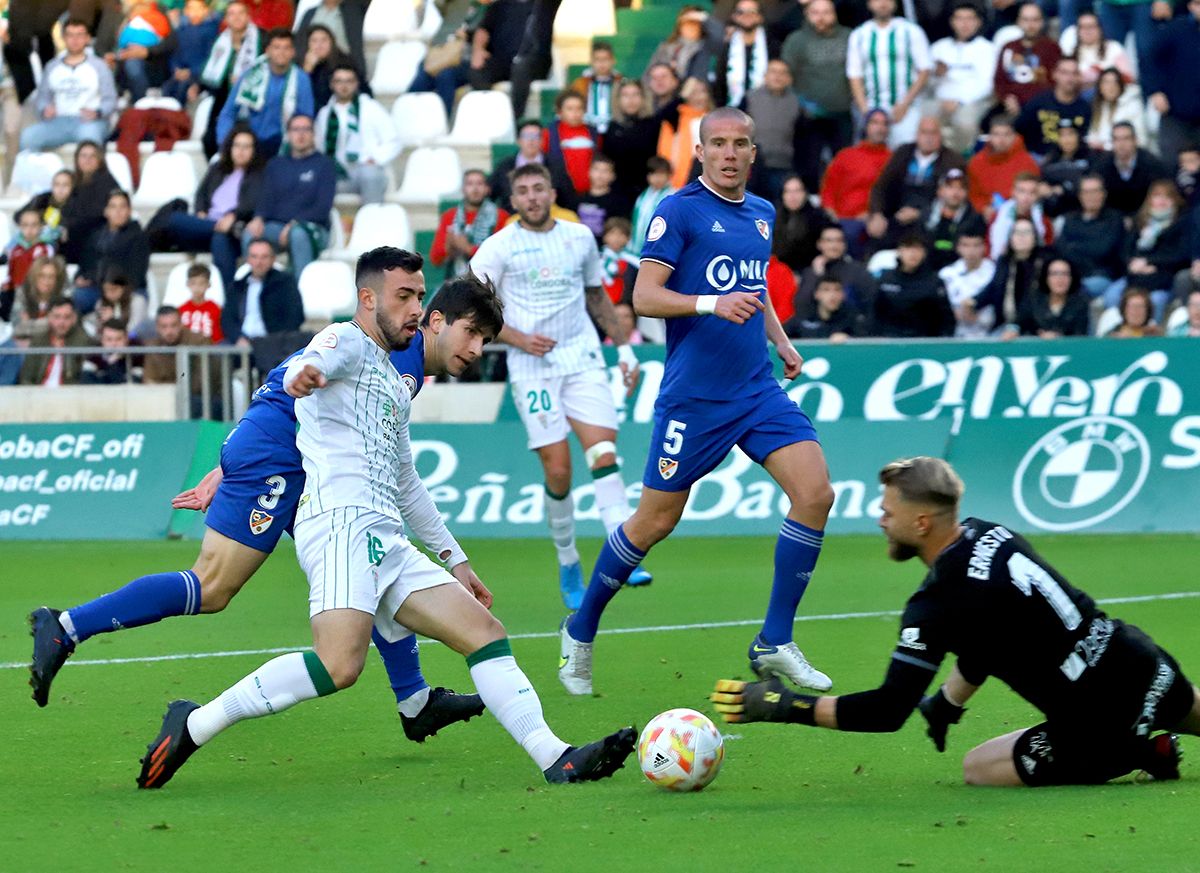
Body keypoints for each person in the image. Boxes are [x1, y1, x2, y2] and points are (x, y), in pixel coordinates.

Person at [129, 248, 638, 789]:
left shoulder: (395, 383)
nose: (418, 310)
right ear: (371, 299)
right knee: (338, 666)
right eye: (409, 298)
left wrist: (455, 560)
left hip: (384, 535)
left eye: (421, 296)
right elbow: (317, 358)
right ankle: (195, 723)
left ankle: (555, 757)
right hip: (341, 524)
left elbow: (407, 483)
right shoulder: (347, 339)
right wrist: (306, 373)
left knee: (485, 633)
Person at [29, 268, 509, 751]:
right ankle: (66, 627)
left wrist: (230, 460)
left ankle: (414, 700)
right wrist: (245, 455)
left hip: (285, 451)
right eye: (473, 334)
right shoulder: (398, 355)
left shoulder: (395, 352)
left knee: (373, 561)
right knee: (213, 586)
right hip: (280, 456)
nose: (476, 350)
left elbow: (298, 378)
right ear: (435, 320)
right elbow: (309, 372)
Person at [558, 107, 835, 697]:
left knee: (816, 493)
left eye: (741, 143)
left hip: (756, 389)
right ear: (701, 152)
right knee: (654, 521)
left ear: (754, 153)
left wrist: (781, 341)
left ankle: (774, 641)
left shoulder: (761, 214)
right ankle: (580, 629)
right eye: (719, 144)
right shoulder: (677, 211)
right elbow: (646, 296)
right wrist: (711, 303)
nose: (730, 153)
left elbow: (753, 289)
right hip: (695, 398)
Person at [712, 456, 1199, 788]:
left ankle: (1144, 750)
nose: (880, 521)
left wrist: (784, 705)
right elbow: (988, 639)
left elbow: (887, 710)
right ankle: (1148, 735)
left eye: (887, 512)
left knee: (978, 767)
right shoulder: (992, 533)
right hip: (1140, 661)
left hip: (1098, 723)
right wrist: (947, 703)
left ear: (921, 522)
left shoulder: (937, 601)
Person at [470, 163, 646, 609]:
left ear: (551, 193)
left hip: (581, 357)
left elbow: (596, 296)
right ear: (512, 200)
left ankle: (622, 549)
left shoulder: (579, 237)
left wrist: (624, 350)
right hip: (532, 367)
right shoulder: (498, 247)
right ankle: (568, 559)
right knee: (559, 471)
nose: (531, 197)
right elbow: (471, 306)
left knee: (603, 451)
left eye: (538, 188)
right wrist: (517, 337)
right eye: (523, 191)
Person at [164, 125, 265, 294]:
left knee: (220, 238)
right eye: (237, 145)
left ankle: (230, 296)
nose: (241, 151)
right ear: (230, 147)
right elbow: (201, 195)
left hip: (234, 231)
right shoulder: (217, 168)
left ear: (253, 150)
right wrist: (200, 211)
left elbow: (252, 203)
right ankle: (217, 227)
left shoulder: (259, 174)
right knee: (174, 219)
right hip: (208, 225)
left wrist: (233, 217)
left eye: (246, 147)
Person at [243, 114, 337, 277]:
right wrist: (258, 218)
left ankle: (300, 294)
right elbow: (266, 198)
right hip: (277, 228)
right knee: (250, 232)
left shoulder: (325, 165)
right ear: (288, 134)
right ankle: (254, 288)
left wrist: (296, 224)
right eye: (295, 129)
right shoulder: (275, 164)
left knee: (298, 234)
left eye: (306, 129)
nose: (300, 134)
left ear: (313, 134)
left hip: (312, 228)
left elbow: (323, 208)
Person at [867, 116, 966, 252]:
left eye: (933, 133)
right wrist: (877, 214)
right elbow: (881, 186)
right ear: (917, 135)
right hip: (897, 214)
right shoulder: (903, 153)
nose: (928, 138)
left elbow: (954, 196)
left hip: (931, 217)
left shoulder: (952, 160)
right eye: (924, 133)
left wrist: (921, 213)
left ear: (940, 136)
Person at [215, 27, 314, 159]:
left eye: (286, 48)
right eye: (277, 47)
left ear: (293, 52)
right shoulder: (251, 74)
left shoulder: (301, 79)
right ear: (268, 51)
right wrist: (225, 145)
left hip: (284, 143)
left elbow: (306, 118)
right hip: (250, 141)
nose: (281, 52)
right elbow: (228, 113)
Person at [20, 20, 117, 152]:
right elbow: (42, 98)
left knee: (89, 141)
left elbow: (110, 99)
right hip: (58, 121)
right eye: (70, 35)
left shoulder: (99, 66)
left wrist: (98, 112)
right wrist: (44, 110)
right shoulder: (52, 66)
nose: (75, 39)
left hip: (90, 122)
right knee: (28, 137)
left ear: (88, 38)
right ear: (64, 38)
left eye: (79, 35)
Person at [846, 0, 931, 148]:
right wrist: (866, 112)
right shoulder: (859, 34)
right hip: (872, 106)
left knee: (903, 153)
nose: (883, 3)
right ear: (869, 4)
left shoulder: (911, 31)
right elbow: (854, 75)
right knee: (871, 155)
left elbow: (924, 70)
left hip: (906, 107)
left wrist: (905, 104)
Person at [314, 63, 398, 206]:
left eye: (349, 81)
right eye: (339, 81)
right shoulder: (324, 114)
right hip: (337, 173)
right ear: (332, 85)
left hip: (364, 168)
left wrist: (375, 158)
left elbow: (394, 140)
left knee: (370, 175)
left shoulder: (371, 108)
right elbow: (319, 146)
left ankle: (371, 220)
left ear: (356, 84)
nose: (344, 86)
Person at [927, 2, 995, 154]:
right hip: (940, 100)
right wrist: (936, 75)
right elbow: (927, 85)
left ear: (978, 22)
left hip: (971, 101)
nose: (965, 24)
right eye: (959, 18)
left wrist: (960, 101)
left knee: (965, 123)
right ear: (952, 22)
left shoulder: (987, 48)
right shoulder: (939, 47)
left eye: (970, 19)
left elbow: (987, 84)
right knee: (923, 119)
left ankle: (956, 160)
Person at [820, 109, 892, 254]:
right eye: (875, 122)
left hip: (876, 220)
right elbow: (828, 190)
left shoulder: (893, 159)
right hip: (844, 220)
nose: (880, 128)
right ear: (865, 126)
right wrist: (833, 217)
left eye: (884, 124)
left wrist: (873, 215)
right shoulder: (845, 156)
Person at [1118, 180, 1192, 316]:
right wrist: (1133, 264)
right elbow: (1125, 250)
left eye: (1167, 196)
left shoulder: (1182, 223)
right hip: (1134, 276)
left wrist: (1150, 262)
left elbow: (1180, 254)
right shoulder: (1139, 221)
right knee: (1113, 296)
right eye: (1157, 196)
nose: (1162, 201)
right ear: (1150, 200)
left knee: (1155, 301)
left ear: (1174, 200)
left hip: (1164, 279)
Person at [197, 1, 260, 158]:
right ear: (226, 19)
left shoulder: (261, 39)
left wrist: (246, 79)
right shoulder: (220, 41)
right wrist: (197, 87)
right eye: (232, 14)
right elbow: (209, 74)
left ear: (248, 16)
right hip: (224, 100)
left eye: (241, 13)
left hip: (253, 101)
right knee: (209, 140)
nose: (237, 17)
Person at [1144, 0, 1200, 167]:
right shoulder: (1176, 29)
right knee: (1169, 166)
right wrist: (1154, 91)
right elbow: (1148, 59)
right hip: (1175, 113)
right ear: (1190, 6)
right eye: (1197, 3)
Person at [1057, 174, 1127, 302]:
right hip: (1071, 275)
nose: (1091, 196)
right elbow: (1062, 249)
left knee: (1076, 290)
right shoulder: (1070, 219)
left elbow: (1103, 250)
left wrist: (1076, 247)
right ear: (1080, 195)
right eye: (1087, 192)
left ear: (1103, 194)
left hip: (1101, 276)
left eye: (1095, 191)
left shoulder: (1115, 219)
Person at [870, 232, 955, 338]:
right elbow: (874, 313)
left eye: (918, 249)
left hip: (926, 342)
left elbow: (946, 318)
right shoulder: (885, 278)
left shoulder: (934, 281)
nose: (913, 253)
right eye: (908, 248)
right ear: (899, 252)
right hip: (890, 340)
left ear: (924, 253)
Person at [222, 238, 305, 346]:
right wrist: (238, 338)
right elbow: (227, 319)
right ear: (248, 259)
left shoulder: (285, 284)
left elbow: (295, 317)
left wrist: (271, 340)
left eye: (264, 257)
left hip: (274, 344)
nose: (258, 262)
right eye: (254, 256)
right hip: (241, 343)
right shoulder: (237, 286)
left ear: (273, 259)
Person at [430, 170, 509, 281]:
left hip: (490, 282)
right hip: (456, 282)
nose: (475, 189)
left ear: (487, 189)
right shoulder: (450, 216)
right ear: (463, 189)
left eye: (480, 184)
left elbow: (502, 256)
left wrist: (468, 249)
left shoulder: (500, 216)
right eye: (470, 184)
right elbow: (435, 259)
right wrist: (448, 249)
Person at [489, 119, 578, 213]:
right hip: (513, 221)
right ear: (518, 140)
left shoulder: (556, 166)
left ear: (542, 140)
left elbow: (568, 200)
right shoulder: (505, 166)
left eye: (536, 136)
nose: (531, 140)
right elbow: (490, 195)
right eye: (527, 136)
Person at [744, 60, 801, 204]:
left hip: (784, 166)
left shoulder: (797, 102)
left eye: (783, 73)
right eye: (773, 72)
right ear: (765, 75)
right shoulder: (750, 98)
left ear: (789, 79)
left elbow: (803, 138)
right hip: (754, 166)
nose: (778, 76)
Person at [993, 3, 1060, 119]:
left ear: (1042, 22)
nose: (1030, 25)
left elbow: (1055, 83)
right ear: (1018, 22)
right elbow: (999, 80)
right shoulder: (1009, 47)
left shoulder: (1052, 48)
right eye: (1025, 20)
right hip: (1010, 106)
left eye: (1035, 20)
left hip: (1041, 108)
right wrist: (1006, 98)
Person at [966, 116, 1039, 220]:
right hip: (984, 217)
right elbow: (973, 194)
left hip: (1019, 217)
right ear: (990, 136)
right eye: (996, 134)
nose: (1001, 140)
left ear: (1014, 136)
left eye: (1006, 134)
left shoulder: (1028, 163)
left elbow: (1033, 194)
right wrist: (984, 208)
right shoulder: (976, 163)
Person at [794, 224, 877, 316]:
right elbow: (801, 305)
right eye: (829, 240)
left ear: (844, 245)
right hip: (816, 326)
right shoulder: (810, 272)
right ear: (819, 244)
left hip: (848, 325)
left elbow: (870, 303)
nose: (834, 245)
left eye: (839, 240)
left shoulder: (858, 271)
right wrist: (817, 275)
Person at [1015, 57, 1090, 158]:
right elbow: (1018, 129)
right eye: (1064, 73)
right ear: (1055, 74)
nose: (1070, 78)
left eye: (1074, 73)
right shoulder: (1038, 102)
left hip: (1072, 161)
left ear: (1079, 77)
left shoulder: (1085, 107)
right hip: (1038, 157)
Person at [713, 0, 779, 110]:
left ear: (760, 17)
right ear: (734, 17)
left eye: (752, 11)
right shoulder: (726, 46)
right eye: (741, 12)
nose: (746, 15)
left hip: (767, 111)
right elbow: (720, 83)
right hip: (733, 110)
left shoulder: (773, 45)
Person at [1094, 122, 1170, 217]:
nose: (1121, 144)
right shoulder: (1102, 164)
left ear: (1135, 140)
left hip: (1145, 216)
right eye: (1116, 139)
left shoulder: (1152, 164)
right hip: (1112, 219)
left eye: (1126, 138)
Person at [604, 81, 662, 206]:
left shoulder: (654, 125)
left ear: (643, 98)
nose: (631, 100)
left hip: (649, 191)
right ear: (617, 99)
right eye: (625, 95)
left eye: (636, 94)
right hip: (618, 191)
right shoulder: (612, 127)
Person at [922, 169, 986, 272]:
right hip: (927, 269)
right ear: (940, 191)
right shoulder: (926, 214)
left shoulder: (975, 219)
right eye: (950, 187)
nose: (955, 193)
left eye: (961, 188)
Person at [18, 298, 90, 386]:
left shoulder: (83, 341)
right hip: (39, 395)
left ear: (74, 319)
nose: (61, 322)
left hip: (69, 396)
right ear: (49, 317)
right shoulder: (38, 341)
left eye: (67, 317)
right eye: (57, 317)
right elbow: (26, 378)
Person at [939, 230, 996, 338]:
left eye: (976, 245)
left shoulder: (995, 272)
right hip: (954, 335)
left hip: (991, 334)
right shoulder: (947, 274)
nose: (971, 251)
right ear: (958, 248)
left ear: (984, 247)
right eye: (966, 245)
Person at [644, 6, 716, 90]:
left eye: (696, 22)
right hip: (668, 94)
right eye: (688, 21)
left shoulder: (709, 46)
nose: (692, 26)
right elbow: (648, 75)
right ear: (680, 24)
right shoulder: (666, 47)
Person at [544, 91, 600, 198]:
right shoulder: (549, 133)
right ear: (560, 112)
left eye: (579, 108)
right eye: (570, 108)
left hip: (590, 193)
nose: (575, 113)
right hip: (561, 193)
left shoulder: (593, 133)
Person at [773, 174, 831, 273]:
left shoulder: (819, 218)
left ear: (805, 193)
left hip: (808, 270)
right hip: (779, 271)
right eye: (788, 191)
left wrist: (824, 257)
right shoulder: (774, 217)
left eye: (797, 191)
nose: (793, 196)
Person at [988, 172, 1053, 259]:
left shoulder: (1043, 220)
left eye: (1032, 192)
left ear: (1037, 195)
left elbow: (1047, 247)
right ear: (1013, 192)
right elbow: (988, 244)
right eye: (1022, 191)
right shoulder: (998, 217)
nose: (1026, 197)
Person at [1020, 257, 1090, 337]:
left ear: (1072, 278)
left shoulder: (1080, 303)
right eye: (1054, 274)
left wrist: (1058, 337)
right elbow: (1020, 325)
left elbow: (1080, 335)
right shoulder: (1033, 300)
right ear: (1046, 278)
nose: (1060, 279)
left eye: (1065, 274)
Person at [1063, 12, 1133, 89]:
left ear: (1100, 29)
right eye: (1082, 27)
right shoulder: (1070, 51)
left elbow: (1128, 79)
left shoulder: (1114, 48)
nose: (1087, 31)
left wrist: (1100, 74)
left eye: (1091, 26)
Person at [1038, 120, 1094, 216]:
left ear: (1078, 136)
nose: (1066, 139)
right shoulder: (1050, 160)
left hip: (1082, 210)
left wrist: (1064, 188)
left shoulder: (1091, 157)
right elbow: (1043, 181)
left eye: (1070, 134)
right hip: (1055, 211)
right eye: (1062, 135)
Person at [783, 274, 860, 340]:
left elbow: (866, 342)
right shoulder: (803, 317)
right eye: (826, 290)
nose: (832, 295)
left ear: (843, 295)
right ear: (817, 294)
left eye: (837, 290)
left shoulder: (852, 319)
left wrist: (849, 339)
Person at [1087, 68, 1146, 152]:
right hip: (1102, 156)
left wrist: (1106, 146)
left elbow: (1141, 141)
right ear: (1100, 87)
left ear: (1120, 85)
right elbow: (1092, 136)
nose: (1111, 87)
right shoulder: (1098, 107)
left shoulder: (1133, 106)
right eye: (1106, 82)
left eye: (1115, 82)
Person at [569, 41, 621, 135]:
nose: (602, 63)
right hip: (587, 131)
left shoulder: (621, 82)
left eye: (606, 59)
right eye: (597, 59)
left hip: (615, 132)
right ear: (591, 61)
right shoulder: (580, 84)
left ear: (613, 60)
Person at [576, 156, 631, 244]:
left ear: (613, 176)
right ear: (589, 172)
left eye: (605, 171)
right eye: (596, 169)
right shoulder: (577, 199)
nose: (600, 175)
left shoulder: (620, 202)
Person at [3, 209, 55, 294]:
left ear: (41, 226)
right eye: (25, 225)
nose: (29, 229)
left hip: (37, 292)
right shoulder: (15, 248)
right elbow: (11, 273)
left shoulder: (46, 248)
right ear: (20, 227)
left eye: (34, 225)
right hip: (16, 290)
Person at [20, 171, 74, 249]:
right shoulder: (42, 199)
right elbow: (18, 216)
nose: (60, 189)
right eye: (57, 184)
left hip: (59, 247)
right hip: (33, 241)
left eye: (65, 185)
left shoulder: (76, 205)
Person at [177, 263, 224, 342]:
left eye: (201, 283)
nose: (197, 288)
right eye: (193, 283)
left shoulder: (216, 309)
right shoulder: (181, 309)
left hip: (210, 351)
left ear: (208, 285)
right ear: (187, 284)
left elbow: (219, 336)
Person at [80, 318, 135, 384]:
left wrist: (113, 363)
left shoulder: (135, 358)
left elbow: (133, 384)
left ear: (126, 339)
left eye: (119, 339)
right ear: (102, 340)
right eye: (109, 339)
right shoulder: (93, 357)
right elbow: (86, 383)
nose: (114, 344)